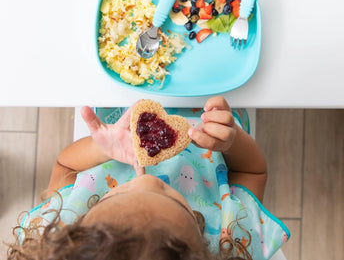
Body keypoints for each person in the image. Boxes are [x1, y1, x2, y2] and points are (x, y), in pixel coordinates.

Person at [7, 96, 289, 260]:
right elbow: (252, 172)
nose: (148, 179)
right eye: (173, 199)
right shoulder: (236, 239)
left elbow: (65, 166)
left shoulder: (60, 224)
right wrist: (231, 140)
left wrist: (100, 147)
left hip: (114, 110)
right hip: (217, 119)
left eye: (122, 192)